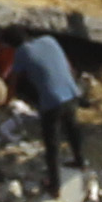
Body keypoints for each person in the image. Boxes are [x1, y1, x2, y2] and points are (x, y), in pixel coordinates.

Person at [11, 24, 88, 182]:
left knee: (52, 143)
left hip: (52, 101)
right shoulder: (49, 39)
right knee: (72, 130)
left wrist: (6, 100)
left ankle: (54, 185)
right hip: (71, 92)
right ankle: (80, 162)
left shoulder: (22, 52)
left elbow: (14, 80)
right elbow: (67, 64)